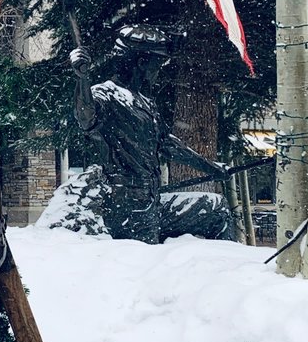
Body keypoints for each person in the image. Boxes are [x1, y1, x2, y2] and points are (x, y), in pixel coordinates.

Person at [71, 25, 234, 243]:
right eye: (156, 65)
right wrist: (82, 79)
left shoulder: (145, 101)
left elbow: (166, 143)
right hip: (129, 209)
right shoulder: (106, 94)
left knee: (216, 209)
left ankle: (224, 272)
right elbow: (86, 118)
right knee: (146, 264)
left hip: (152, 201)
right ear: (141, 63)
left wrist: (210, 167)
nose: (158, 72)